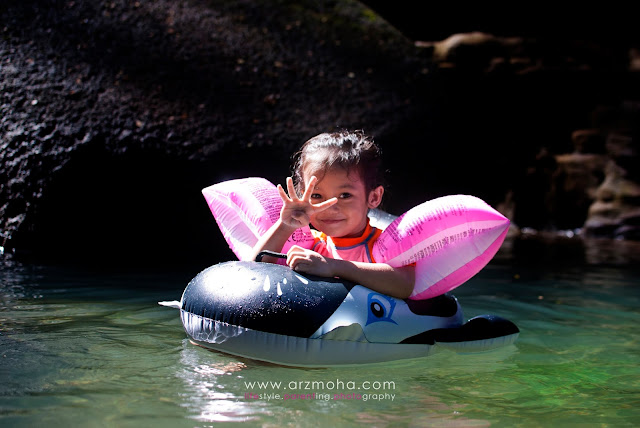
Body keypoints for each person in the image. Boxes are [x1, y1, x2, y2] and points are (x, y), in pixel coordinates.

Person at [250, 130, 415, 299]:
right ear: (303, 196)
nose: (330, 208)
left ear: (373, 197)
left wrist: (334, 267)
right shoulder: (311, 245)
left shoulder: (383, 245)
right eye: (316, 195)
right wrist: (285, 226)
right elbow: (254, 271)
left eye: (345, 195)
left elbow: (405, 284)